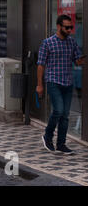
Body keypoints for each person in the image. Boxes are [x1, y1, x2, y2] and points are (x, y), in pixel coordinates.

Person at [37, 14, 84, 155]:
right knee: (58, 110)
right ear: (59, 26)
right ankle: (47, 136)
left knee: (65, 115)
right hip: (53, 81)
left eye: (71, 27)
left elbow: (77, 61)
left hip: (68, 83)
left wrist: (82, 58)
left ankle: (61, 144)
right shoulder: (47, 43)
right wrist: (39, 85)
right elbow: (40, 65)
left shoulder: (72, 42)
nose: (70, 30)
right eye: (67, 27)